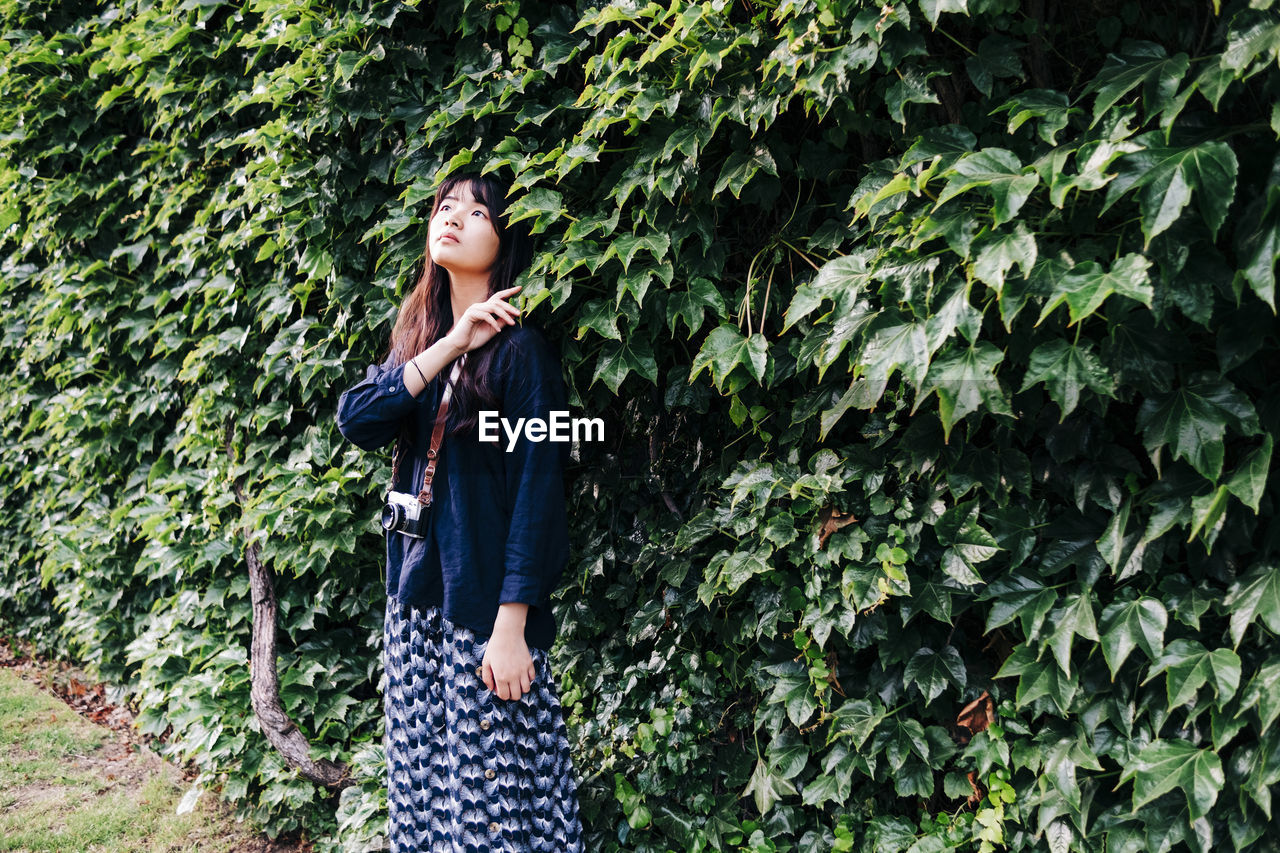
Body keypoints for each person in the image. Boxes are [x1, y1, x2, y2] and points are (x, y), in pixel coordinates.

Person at [335, 171, 584, 852]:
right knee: (422, 799)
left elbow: (540, 492)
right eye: (447, 206)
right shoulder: (417, 338)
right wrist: (451, 343)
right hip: (414, 609)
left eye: (478, 211)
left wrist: (513, 625)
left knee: (496, 813)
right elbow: (357, 418)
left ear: (501, 242)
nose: (455, 217)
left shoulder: (524, 356)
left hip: (482, 615)